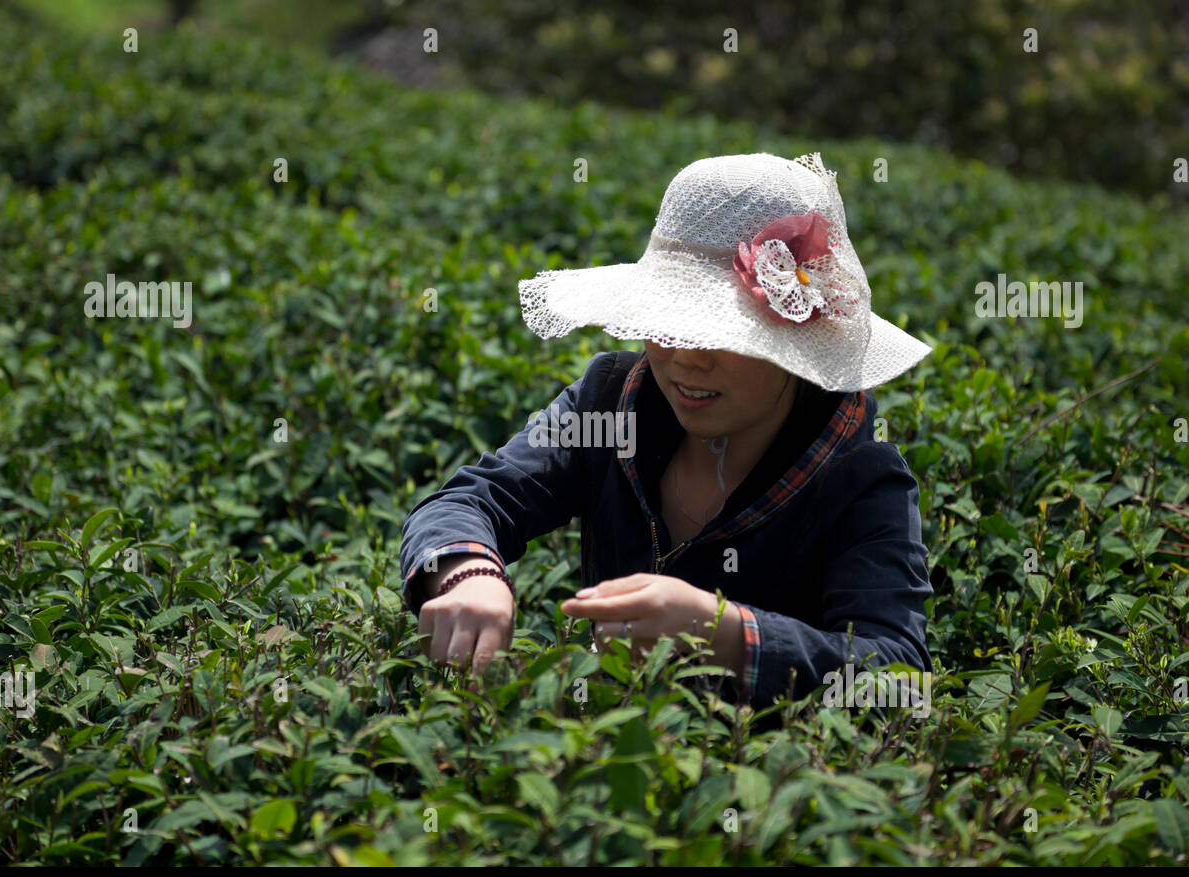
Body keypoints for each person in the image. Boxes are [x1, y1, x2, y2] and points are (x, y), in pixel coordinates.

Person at [399, 152, 934, 709]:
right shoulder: (609, 405)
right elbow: (475, 499)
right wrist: (469, 573)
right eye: (669, 322)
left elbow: (897, 675)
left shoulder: (859, 481)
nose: (683, 358)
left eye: (722, 335)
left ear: (793, 345)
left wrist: (724, 634)